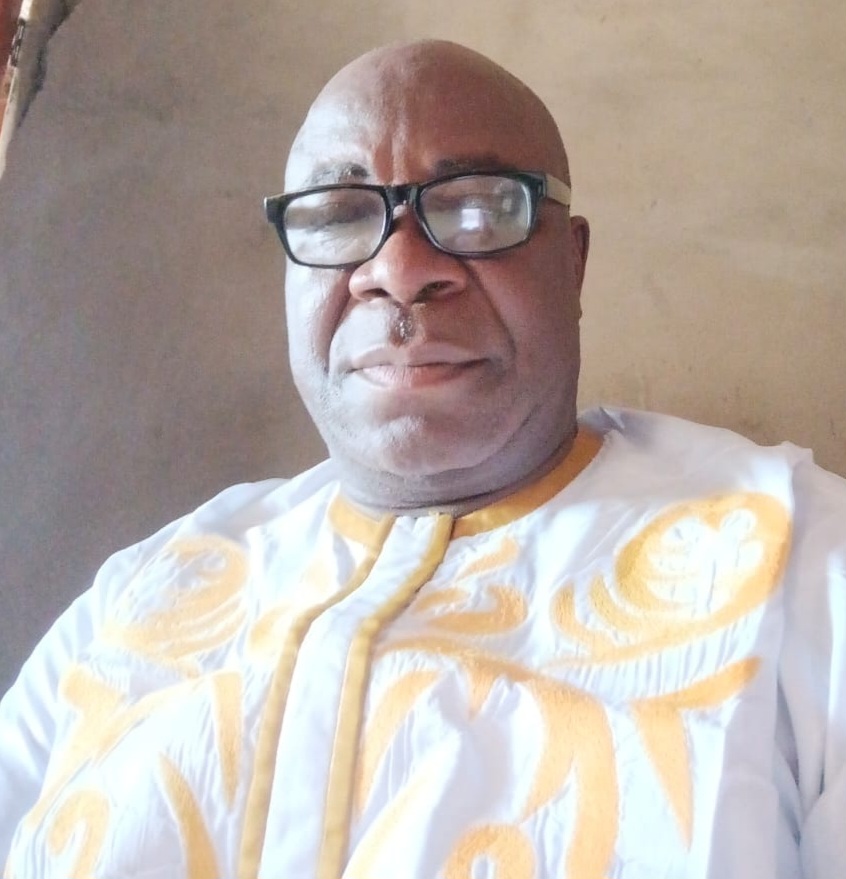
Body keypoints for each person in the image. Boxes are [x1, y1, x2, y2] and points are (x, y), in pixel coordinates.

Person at [1, 39, 844, 879]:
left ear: (573, 261)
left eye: (478, 208)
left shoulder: (802, 559)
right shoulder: (140, 594)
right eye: (337, 214)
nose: (400, 270)